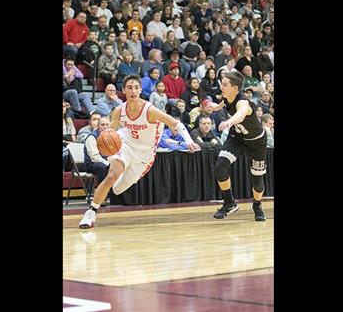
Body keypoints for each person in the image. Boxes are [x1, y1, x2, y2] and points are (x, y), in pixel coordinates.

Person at [79, 75, 201, 228]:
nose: (133, 91)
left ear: (141, 90)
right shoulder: (119, 110)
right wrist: (104, 139)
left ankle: (119, 176)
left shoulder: (150, 110)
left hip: (145, 155)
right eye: (129, 87)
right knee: (111, 176)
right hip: (126, 145)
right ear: (123, 90)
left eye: (136, 87)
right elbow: (110, 129)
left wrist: (189, 141)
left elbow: (175, 123)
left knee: (117, 189)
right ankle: (91, 212)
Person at [207, 71, 267, 221]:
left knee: (257, 182)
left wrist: (229, 121)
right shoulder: (227, 96)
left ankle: (257, 205)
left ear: (235, 88)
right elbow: (223, 104)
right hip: (237, 138)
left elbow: (240, 114)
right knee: (220, 166)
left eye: (225, 85)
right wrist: (215, 107)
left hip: (256, 142)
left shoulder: (243, 102)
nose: (222, 87)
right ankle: (229, 203)